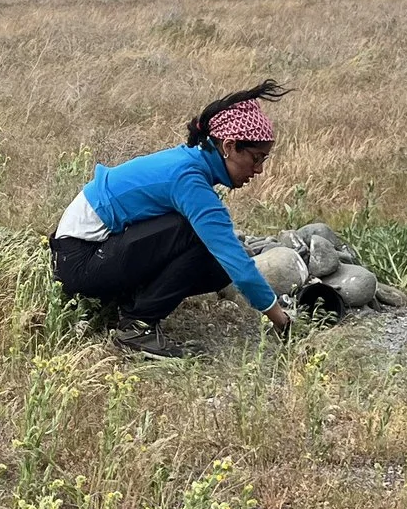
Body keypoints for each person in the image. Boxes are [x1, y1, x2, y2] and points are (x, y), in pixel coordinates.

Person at [50, 80, 295, 358]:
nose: (259, 170)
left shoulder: (189, 162)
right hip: (80, 261)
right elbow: (236, 260)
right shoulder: (189, 179)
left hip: (84, 255)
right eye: (257, 158)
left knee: (217, 262)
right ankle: (137, 327)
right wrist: (281, 320)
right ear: (229, 145)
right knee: (204, 240)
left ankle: (129, 303)